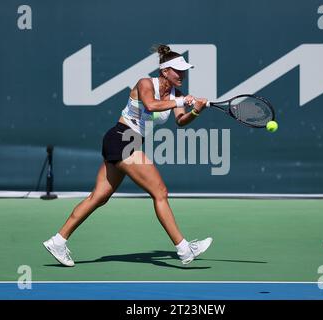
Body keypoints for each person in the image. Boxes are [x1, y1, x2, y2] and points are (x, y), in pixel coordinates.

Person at [43, 44, 212, 267]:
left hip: (128, 141)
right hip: (122, 137)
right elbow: (151, 106)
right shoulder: (145, 83)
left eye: (184, 70)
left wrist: (196, 111)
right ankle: (183, 249)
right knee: (160, 191)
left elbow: (180, 121)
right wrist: (182, 101)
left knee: (99, 197)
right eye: (177, 70)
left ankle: (58, 241)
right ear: (164, 71)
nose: (182, 74)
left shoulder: (175, 94)